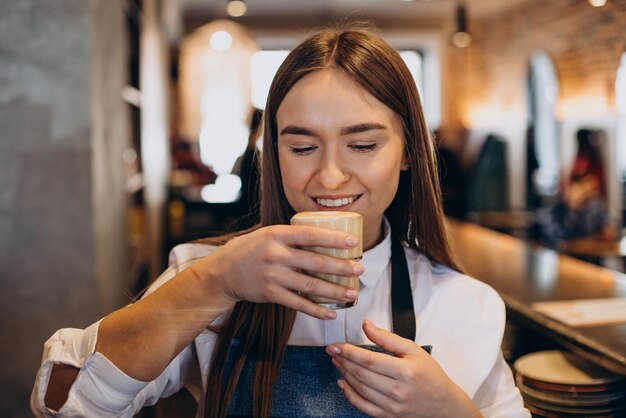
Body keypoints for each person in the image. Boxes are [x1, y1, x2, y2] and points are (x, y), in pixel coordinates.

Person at [32, 26, 529, 417]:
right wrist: (214, 281)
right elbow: (65, 404)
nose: (331, 176)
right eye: (302, 146)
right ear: (273, 153)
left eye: (363, 145)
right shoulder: (206, 273)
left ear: (408, 153)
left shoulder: (465, 304)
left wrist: (450, 412)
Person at [536, 128, 615, 250]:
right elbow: (555, 238)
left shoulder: (596, 207)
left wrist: (607, 232)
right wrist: (571, 207)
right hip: (566, 260)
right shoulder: (557, 209)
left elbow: (608, 229)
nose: (589, 190)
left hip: (591, 260)